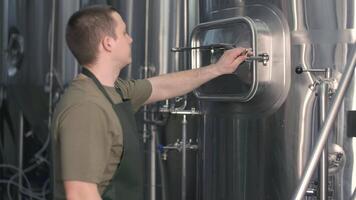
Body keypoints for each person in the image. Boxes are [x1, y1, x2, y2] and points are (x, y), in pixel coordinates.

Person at [51, 5, 250, 200]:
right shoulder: (86, 107)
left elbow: (161, 86)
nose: (131, 38)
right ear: (108, 43)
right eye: (124, 33)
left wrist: (217, 68)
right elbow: (80, 194)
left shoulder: (116, 90)